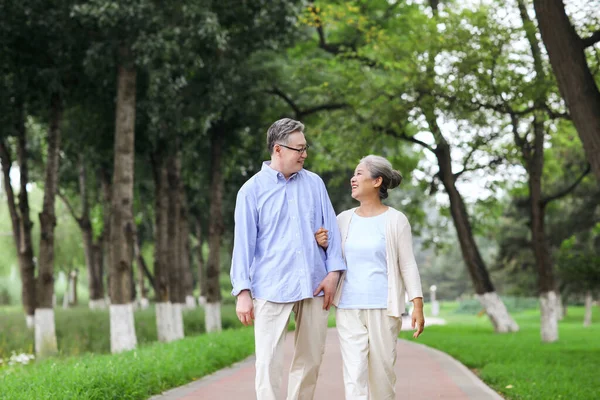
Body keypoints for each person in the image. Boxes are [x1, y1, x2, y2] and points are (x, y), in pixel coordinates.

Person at [230, 118, 346, 400]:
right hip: (270, 286)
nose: (304, 154)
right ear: (278, 149)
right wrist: (242, 292)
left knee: (310, 361)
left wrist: (333, 274)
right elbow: (243, 245)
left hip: (315, 284)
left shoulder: (315, 184)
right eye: (299, 148)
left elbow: (330, 230)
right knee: (268, 362)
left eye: (306, 148)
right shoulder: (251, 191)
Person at [315, 155, 424, 400]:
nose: (353, 178)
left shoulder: (396, 220)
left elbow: (407, 264)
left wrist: (417, 303)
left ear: (377, 181)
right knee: (354, 376)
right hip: (348, 307)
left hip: (384, 309)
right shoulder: (343, 219)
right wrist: (320, 243)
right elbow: (331, 258)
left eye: (359, 173)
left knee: (382, 377)